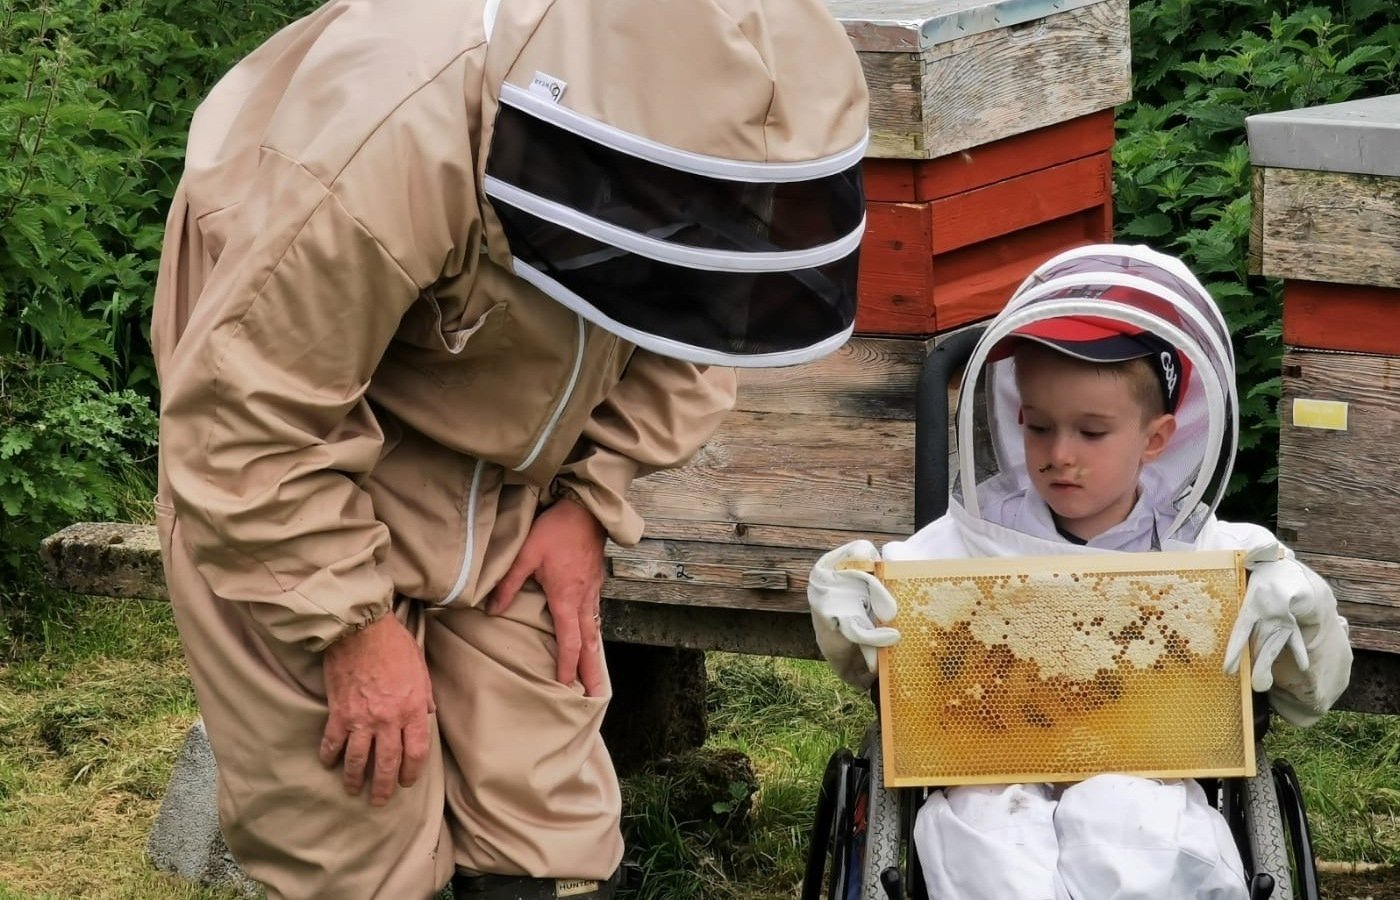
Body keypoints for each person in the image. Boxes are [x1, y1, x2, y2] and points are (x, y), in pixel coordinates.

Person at [150, 0, 870, 897]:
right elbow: (245, 422)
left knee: (548, 819)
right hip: (287, 455)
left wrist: (590, 501)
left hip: (513, 471)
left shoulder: (699, 124)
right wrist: (351, 628)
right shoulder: (387, 140)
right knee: (357, 824)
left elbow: (699, 320)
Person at [808, 245, 1353, 900]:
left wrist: (1302, 608)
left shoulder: (1211, 551)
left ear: (1156, 438)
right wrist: (845, 601)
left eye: (1092, 433)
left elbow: (1309, 695)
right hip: (988, 782)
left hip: (1147, 782)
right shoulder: (964, 541)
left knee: (1126, 825)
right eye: (1038, 428)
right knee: (989, 840)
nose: (1060, 455)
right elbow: (877, 658)